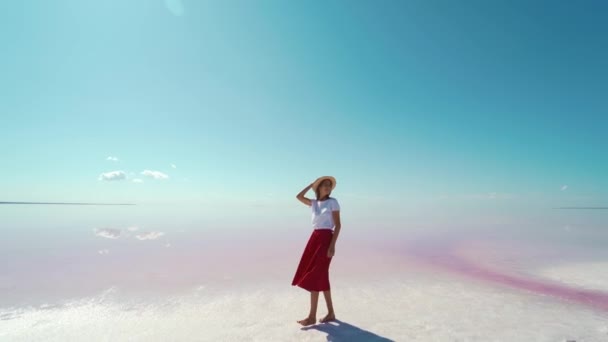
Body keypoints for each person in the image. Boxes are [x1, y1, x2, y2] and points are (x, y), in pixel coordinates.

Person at [292, 176, 341, 326]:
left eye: (329, 186)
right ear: (318, 188)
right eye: (324, 185)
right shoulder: (313, 203)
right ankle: (331, 313)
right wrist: (310, 184)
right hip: (314, 239)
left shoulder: (333, 202)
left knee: (315, 275)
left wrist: (332, 245)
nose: (327, 187)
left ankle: (312, 316)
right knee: (321, 276)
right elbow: (298, 196)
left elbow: (338, 225)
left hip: (326, 239)